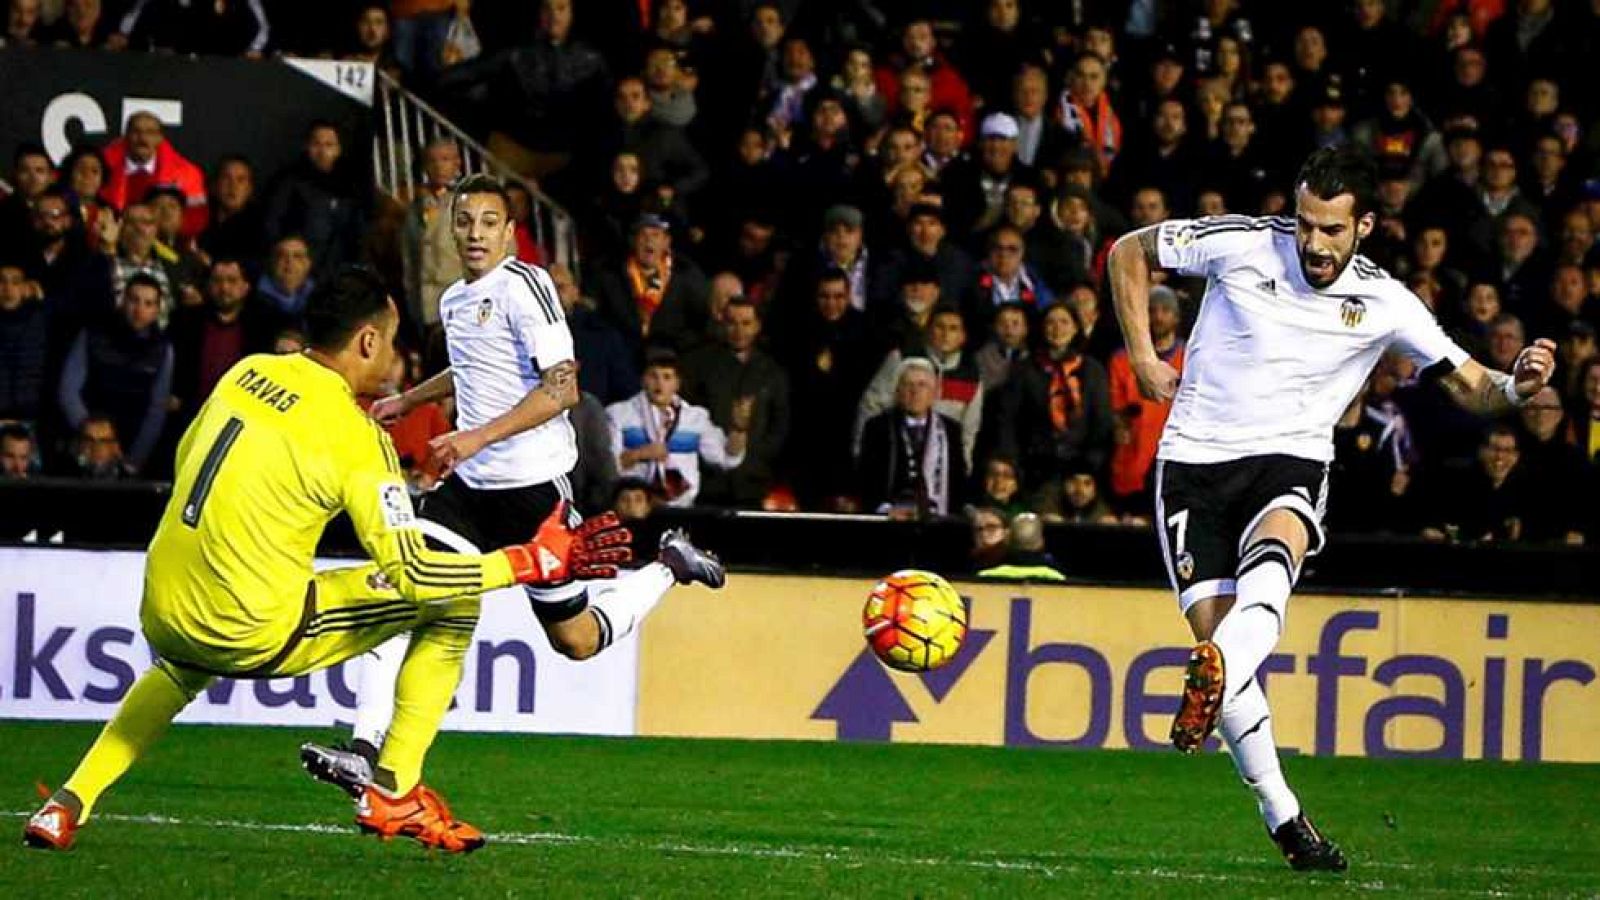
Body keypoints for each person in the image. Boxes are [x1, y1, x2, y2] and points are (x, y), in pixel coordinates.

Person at [23, 267, 635, 853]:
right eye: (392, 343)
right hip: (254, 629)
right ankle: (393, 787)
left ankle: (67, 803)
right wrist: (530, 561)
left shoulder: (249, 370)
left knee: (180, 669)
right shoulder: (354, 434)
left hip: (162, 603)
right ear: (368, 340)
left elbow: (187, 457)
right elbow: (414, 574)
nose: (394, 359)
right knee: (450, 602)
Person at [1107, 145, 1557, 871]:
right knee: (1232, 676)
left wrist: (1519, 387)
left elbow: (1471, 383)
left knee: (1272, 562)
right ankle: (1285, 817)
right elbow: (1129, 251)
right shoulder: (1244, 242)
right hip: (1191, 467)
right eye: (1306, 224)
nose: (1313, 243)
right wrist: (1144, 358)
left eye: (1332, 231)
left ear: (1366, 226)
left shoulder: (1386, 301)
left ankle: (1215, 668)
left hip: (1289, 458)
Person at [299, 176, 725, 805]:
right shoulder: (454, 301)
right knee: (399, 588)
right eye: (464, 221)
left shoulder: (528, 286)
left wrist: (474, 438)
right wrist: (407, 400)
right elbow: (471, 369)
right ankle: (364, 751)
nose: (474, 234)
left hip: (534, 493)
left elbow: (562, 388)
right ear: (451, 228)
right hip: (468, 493)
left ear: (509, 231)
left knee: (574, 641)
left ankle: (667, 564)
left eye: (488, 222)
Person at [57, 273, 174, 476]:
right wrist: (92, 436)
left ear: (157, 310)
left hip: (130, 446)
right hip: (84, 441)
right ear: (123, 301)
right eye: (134, 300)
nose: (139, 309)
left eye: (148, 303)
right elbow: (68, 389)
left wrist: (134, 460)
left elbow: (157, 409)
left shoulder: (163, 350)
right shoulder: (93, 334)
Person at [608, 348, 747, 507]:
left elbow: (726, 458)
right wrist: (638, 454)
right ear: (643, 380)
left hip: (682, 508)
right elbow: (607, 467)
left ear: (677, 383)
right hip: (635, 509)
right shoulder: (618, 414)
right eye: (653, 376)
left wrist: (739, 429)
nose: (659, 384)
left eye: (667, 377)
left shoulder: (696, 418)